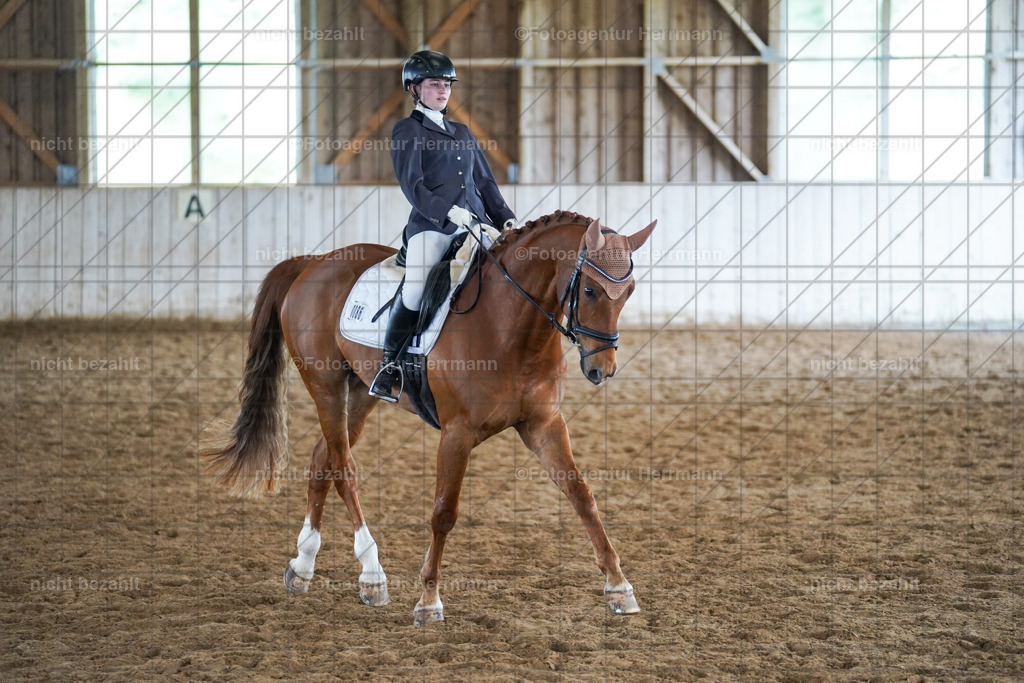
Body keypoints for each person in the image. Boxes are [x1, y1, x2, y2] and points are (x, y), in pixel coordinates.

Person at [368, 50, 517, 402]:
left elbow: (485, 183)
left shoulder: (461, 132)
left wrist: (506, 218)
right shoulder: (408, 130)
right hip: (433, 226)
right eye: (435, 84)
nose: (443, 90)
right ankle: (390, 365)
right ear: (414, 88)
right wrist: (449, 212)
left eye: (447, 84)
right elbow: (413, 186)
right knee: (418, 285)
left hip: (477, 225)